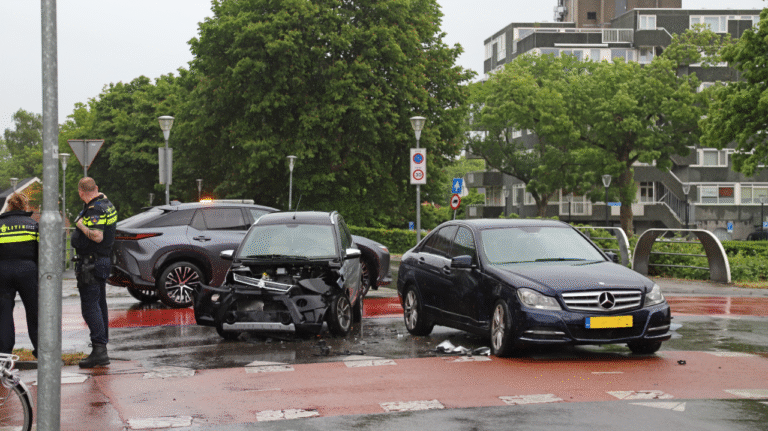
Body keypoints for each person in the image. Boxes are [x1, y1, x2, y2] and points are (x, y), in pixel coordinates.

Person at [71, 177, 117, 368]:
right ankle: (101, 346)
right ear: (96, 189)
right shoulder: (106, 204)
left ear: (81, 192)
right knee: (100, 305)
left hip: (91, 262)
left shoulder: (95, 210)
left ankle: (99, 350)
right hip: (101, 261)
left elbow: (97, 236)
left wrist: (79, 223)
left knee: (90, 307)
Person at [0, 192, 40, 358]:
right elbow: (42, 252)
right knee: (34, 312)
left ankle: (4, 355)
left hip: (2, 271)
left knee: (3, 314)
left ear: (9, 205)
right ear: (25, 206)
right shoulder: (33, 225)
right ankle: (42, 351)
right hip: (28, 271)